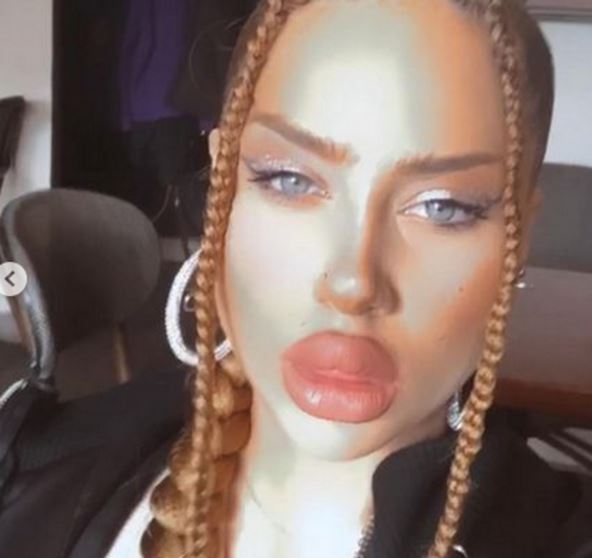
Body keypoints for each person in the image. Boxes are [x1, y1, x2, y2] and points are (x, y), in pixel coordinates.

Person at [0, 0, 591, 557]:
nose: (353, 282)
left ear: (518, 238)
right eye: (289, 179)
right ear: (223, 187)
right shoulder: (30, 473)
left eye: (444, 207)